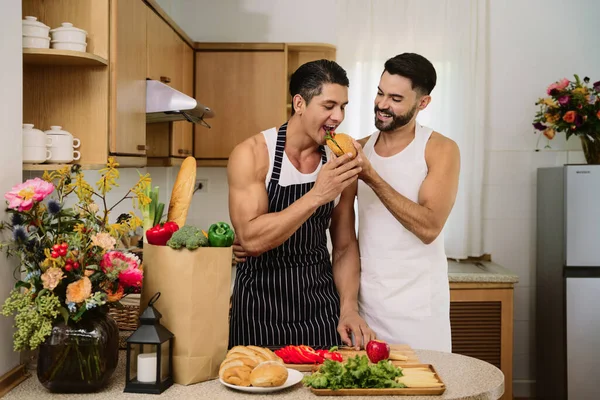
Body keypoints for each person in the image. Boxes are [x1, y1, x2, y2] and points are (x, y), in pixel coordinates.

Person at [227, 59, 375, 349]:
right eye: (329, 105)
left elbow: (344, 245)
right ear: (299, 103)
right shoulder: (253, 154)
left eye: (343, 106)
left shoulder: (340, 159)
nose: (338, 116)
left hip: (318, 307)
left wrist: (348, 308)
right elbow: (252, 239)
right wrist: (318, 195)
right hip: (259, 306)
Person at [352, 53, 460, 352]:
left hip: (419, 311)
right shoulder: (359, 149)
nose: (382, 104)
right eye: (380, 92)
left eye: (396, 98)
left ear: (422, 103)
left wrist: (371, 176)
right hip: (367, 306)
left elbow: (429, 227)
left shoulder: (440, 149)